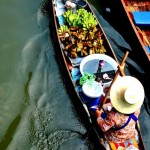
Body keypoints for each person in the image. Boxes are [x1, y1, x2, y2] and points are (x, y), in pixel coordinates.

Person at [95, 76, 145, 149]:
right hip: (130, 134)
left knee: (99, 114)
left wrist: (98, 116)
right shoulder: (137, 108)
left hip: (116, 138)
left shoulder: (114, 116)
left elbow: (103, 127)